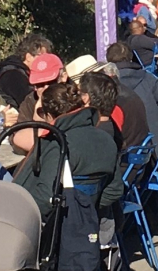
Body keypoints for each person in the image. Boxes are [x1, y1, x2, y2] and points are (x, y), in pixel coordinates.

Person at [12, 83, 124, 218]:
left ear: (48, 115)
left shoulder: (58, 144)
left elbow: (45, 199)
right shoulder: (106, 139)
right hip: (90, 219)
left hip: (47, 223)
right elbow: (114, 190)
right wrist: (86, 206)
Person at [8, 52, 65, 153]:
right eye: (40, 85)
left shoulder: (74, 99)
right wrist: (37, 123)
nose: (46, 89)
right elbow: (16, 143)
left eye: (51, 82)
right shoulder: (30, 102)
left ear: (63, 78)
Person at [0, 33, 53, 111]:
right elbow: (30, 101)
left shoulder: (23, 72)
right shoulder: (12, 75)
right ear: (28, 57)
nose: (45, 61)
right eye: (42, 57)